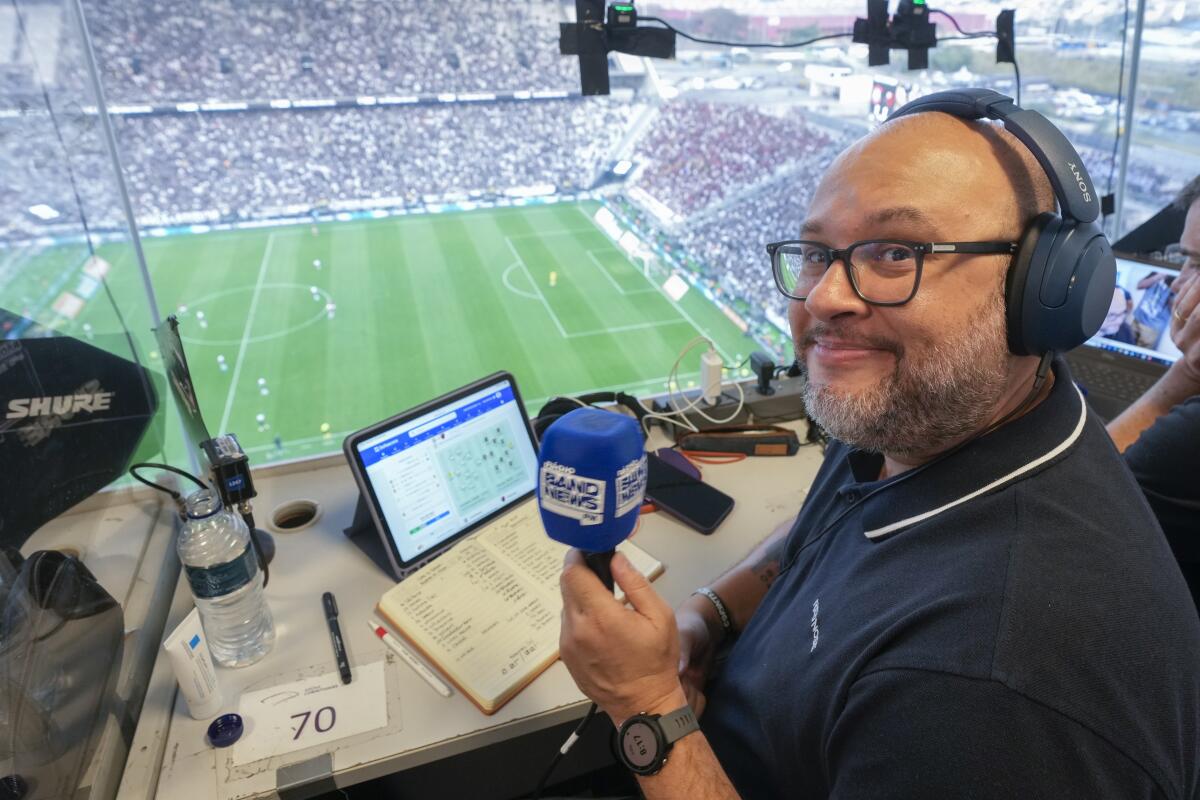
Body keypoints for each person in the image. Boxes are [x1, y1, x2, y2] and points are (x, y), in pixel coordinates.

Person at [557, 110, 1200, 798]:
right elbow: (826, 530)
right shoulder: (925, 416)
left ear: (1044, 289)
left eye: (896, 253)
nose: (827, 297)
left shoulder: (996, 690)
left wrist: (647, 709)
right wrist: (708, 616)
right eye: (816, 254)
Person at [1108, 175, 1200, 614]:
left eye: (1197, 266)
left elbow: (1087, 488)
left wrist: (1185, 374)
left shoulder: (1187, 441)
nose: (1177, 284)